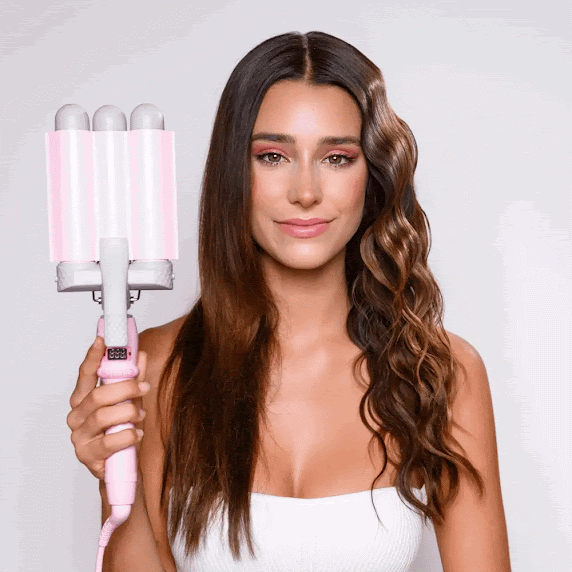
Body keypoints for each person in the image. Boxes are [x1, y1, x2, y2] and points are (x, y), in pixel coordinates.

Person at [66, 31, 512, 571]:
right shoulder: (155, 369)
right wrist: (114, 475)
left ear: (371, 175)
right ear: (235, 173)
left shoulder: (440, 374)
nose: (305, 192)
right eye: (273, 156)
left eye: (337, 157)